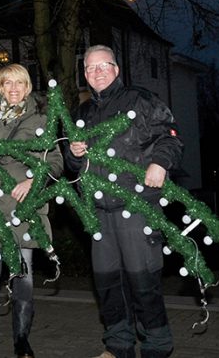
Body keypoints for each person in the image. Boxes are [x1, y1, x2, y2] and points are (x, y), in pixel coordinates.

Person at [66, 45, 183, 358]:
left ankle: (157, 346)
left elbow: (170, 137)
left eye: (104, 65)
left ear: (116, 69)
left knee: (142, 282)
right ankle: (118, 345)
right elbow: (73, 166)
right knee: (106, 284)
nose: (97, 72)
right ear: (85, 75)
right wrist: (74, 156)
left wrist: (160, 162)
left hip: (136, 207)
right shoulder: (82, 114)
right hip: (98, 213)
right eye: (90, 68)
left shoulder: (139, 100)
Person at [0, 64, 63, 358]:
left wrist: (34, 180)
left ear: (28, 87)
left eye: (19, 83)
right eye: (7, 83)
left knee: (23, 277)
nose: (13, 88)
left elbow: (56, 161)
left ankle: (22, 339)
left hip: (24, 211)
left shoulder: (42, 119)